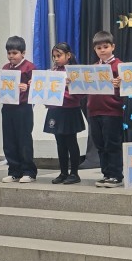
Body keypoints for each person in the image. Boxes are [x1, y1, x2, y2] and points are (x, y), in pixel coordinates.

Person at [44, 42, 85, 185]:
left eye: (59, 55)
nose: (56, 59)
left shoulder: (74, 72)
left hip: (70, 111)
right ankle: (63, 172)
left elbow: (81, 95)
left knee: (71, 142)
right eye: (54, 56)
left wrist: (68, 86)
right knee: (60, 143)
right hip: (56, 111)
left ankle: (74, 173)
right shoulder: (52, 72)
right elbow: (47, 91)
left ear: (68, 55)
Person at [87, 31, 125, 188]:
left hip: (112, 111)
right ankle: (106, 173)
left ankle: (116, 175)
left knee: (112, 144)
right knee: (100, 145)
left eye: (105, 46)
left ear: (112, 47)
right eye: (99, 48)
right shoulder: (93, 68)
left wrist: (121, 84)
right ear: (95, 50)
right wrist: (73, 82)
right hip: (94, 111)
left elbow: (129, 88)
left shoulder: (119, 66)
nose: (102, 50)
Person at [1, 36, 38, 183]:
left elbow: (38, 88)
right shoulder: (5, 68)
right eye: (9, 53)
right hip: (7, 107)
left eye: (14, 53)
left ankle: (29, 171)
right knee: (9, 140)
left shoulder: (30, 67)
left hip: (23, 108)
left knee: (24, 140)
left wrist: (28, 87)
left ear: (23, 53)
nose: (11, 56)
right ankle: (14, 171)